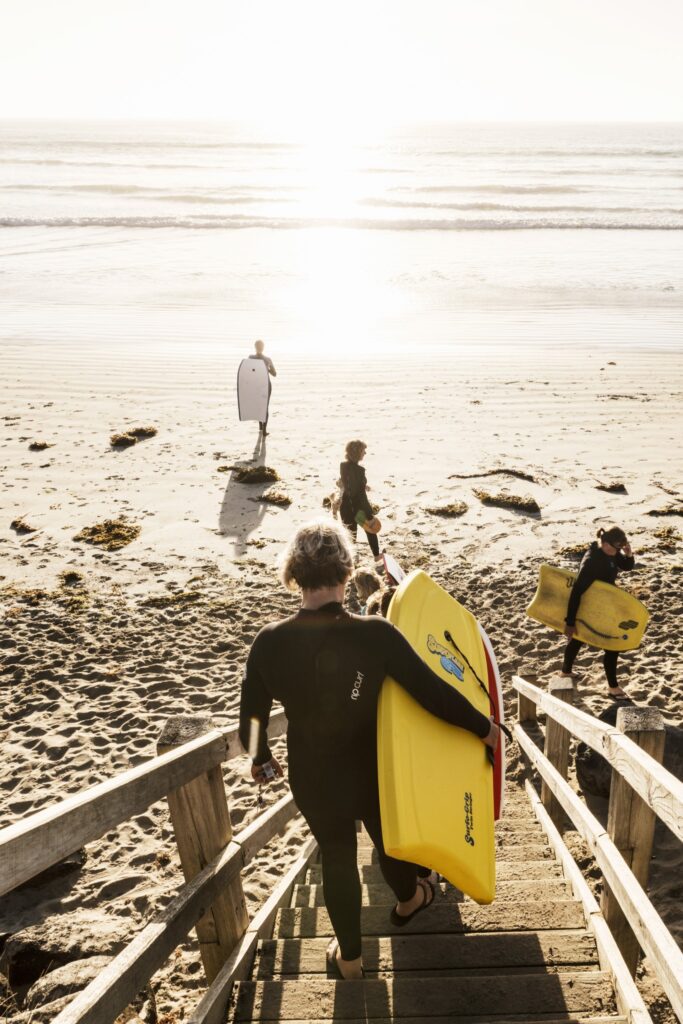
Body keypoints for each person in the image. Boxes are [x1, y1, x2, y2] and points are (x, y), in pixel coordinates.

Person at [239, 520, 499, 980]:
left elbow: (252, 720)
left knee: (337, 857)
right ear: (346, 571)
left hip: (312, 775)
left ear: (293, 574)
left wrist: (261, 759)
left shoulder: (269, 642)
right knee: (389, 838)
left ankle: (351, 961)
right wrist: (485, 729)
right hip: (373, 768)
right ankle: (410, 899)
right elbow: (431, 692)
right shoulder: (375, 634)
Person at [561, 525, 635, 700]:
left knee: (579, 639)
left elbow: (626, 566)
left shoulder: (611, 551)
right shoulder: (591, 562)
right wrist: (570, 622)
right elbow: (576, 592)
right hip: (591, 606)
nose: (618, 551)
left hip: (604, 603)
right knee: (611, 645)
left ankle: (566, 672)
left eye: (621, 547)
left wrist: (629, 554)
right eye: (617, 547)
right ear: (606, 543)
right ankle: (613, 688)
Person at [339, 440, 383, 570]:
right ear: (357, 452)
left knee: (351, 535)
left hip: (345, 507)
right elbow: (360, 495)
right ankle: (376, 556)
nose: (365, 453)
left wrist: (363, 485)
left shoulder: (343, 466)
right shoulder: (359, 470)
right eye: (363, 450)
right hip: (358, 509)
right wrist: (369, 513)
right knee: (371, 530)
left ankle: (350, 561)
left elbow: (348, 484)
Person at [250, 339, 276, 436]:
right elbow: (274, 374)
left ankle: (262, 428)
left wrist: (267, 369)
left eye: (260, 347)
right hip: (260, 385)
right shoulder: (265, 359)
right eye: (259, 347)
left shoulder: (252, 358)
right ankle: (262, 428)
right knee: (262, 406)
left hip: (262, 385)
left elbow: (274, 374)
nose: (260, 348)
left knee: (262, 406)